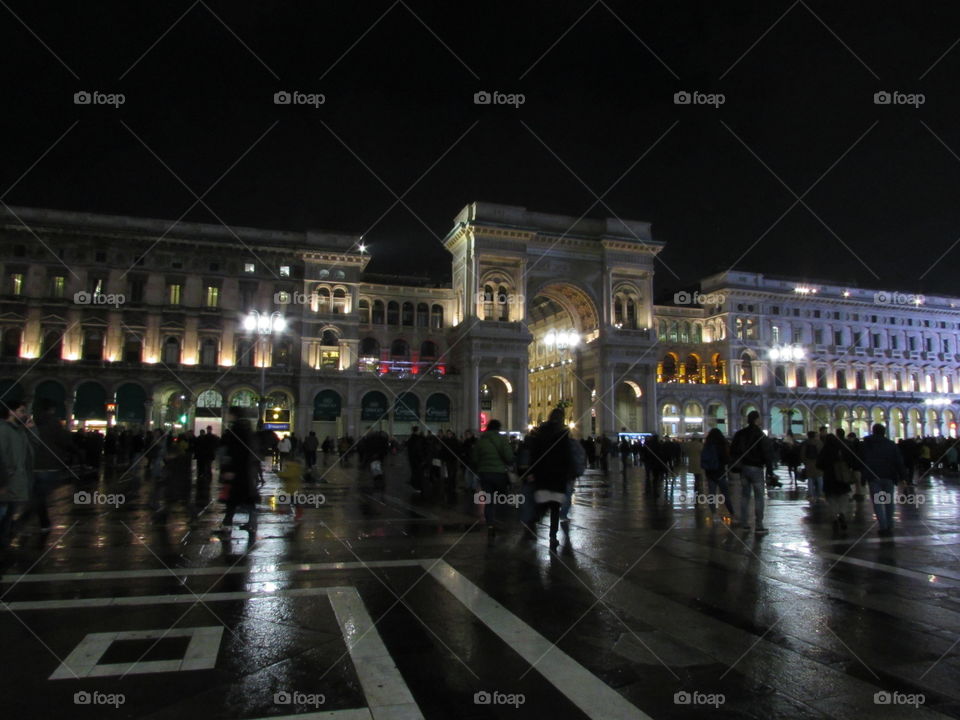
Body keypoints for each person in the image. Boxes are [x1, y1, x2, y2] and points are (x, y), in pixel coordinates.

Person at [23, 400, 76, 533]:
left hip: (32, 464)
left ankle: (40, 521)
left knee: (36, 494)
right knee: (41, 495)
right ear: (52, 409)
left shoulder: (31, 423)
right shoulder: (54, 424)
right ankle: (27, 521)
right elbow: (65, 441)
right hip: (49, 464)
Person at [528, 409, 574, 550]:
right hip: (557, 476)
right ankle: (552, 537)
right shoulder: (563, 434)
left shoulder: (540, 433)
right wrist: (569, 473)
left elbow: (534, 453)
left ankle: (533, 520)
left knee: (541, 503)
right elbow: (567, 456)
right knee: (555, 508)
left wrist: (532, 470)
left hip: (542, 475)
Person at [857, 423, 908, 537]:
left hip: (873, 477)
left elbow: (863, 461)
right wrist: (904, 477)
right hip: (889, 476)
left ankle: (883, 526)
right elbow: (898, 462)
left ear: (873, 431)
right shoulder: (891, 445)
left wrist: (863, 476)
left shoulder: (866, 445)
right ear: (884, 432)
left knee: (878, 502)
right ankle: (890, 524)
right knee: (889, 501)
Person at [729, 410, 774, 534]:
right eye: (759, 419)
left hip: (744, 468)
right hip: (756, 468)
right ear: (756, 420)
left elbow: (732, 450)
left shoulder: (740, 434)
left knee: (745, 495)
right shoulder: (760, 434)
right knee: (759, 497)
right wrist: (770, 471)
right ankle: (759, 525)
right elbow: (767, 453)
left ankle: (745, 524)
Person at [469, 419, 514, 541]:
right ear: (498, 428)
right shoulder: (502, 440)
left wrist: (481, 467)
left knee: (488, 501)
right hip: (499, 474)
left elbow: (475, 458)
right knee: (502, 498)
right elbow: (509, 457)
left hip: (485, 474)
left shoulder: (481, 441)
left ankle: (490, 525)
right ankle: (500, 521)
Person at [0, 400, 35, 550]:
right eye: (21, 411)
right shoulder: (3, 430)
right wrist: (2, 483)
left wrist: (30, 430)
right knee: (3, 518)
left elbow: (33, 449)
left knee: (7, 519)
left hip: (15, 483)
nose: (25, 414)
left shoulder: (19, 431)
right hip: (6, 484)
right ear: (11, 412)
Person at [219, 407, 260, 533]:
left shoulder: (237, 429)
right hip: (243, 470)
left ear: (233, 415)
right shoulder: (245, 429)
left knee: (235, 499)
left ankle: (228, 525)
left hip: (238, 470)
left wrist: (229, 469)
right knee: (243, 499)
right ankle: (249, 524)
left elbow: (235, 451)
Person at [818, 427, 853, 533]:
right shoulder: (842, 448)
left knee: (831, 498)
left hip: (829, 477)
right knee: (843, 496)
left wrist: (825, 468)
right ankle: (842, 512)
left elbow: (819, 464)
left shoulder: (825, 449)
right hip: (842, 476)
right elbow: (850, 460)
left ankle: (834, 516)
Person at [701, 428, 735, 519]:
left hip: (710, 473)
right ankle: (732, 513)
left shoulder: (707, 445)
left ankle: (714, 514)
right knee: (725, 494)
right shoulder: (722, 444)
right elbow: (727, 459)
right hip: (720, 473)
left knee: (712, 494)